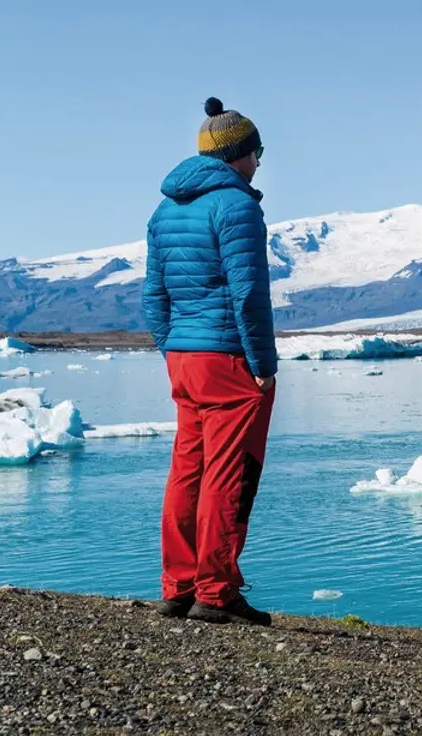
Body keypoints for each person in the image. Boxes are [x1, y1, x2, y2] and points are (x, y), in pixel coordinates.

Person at [142, 98, 278, 626]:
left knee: (186, 469)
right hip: (227, 357)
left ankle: (178, 586)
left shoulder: (165, 209)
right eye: (258, 151)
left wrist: (172, 345)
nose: (261, 162)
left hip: (185, 357)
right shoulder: (236, 205)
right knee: (229, 473)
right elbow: (248, 294)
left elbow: (154, 294)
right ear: (239, 154)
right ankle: (216, 593)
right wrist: (261, 361)